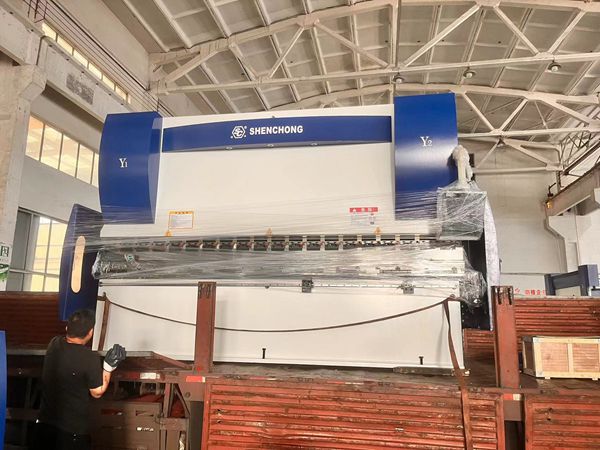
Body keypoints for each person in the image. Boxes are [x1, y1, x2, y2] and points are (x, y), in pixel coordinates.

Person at [32, 309, 126, 450]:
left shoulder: (54, 344)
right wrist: (108, 367)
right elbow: (97, 392)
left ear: (67, 328)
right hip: (72, 432)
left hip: (44, 425)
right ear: (90, 332)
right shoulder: (90, 358)